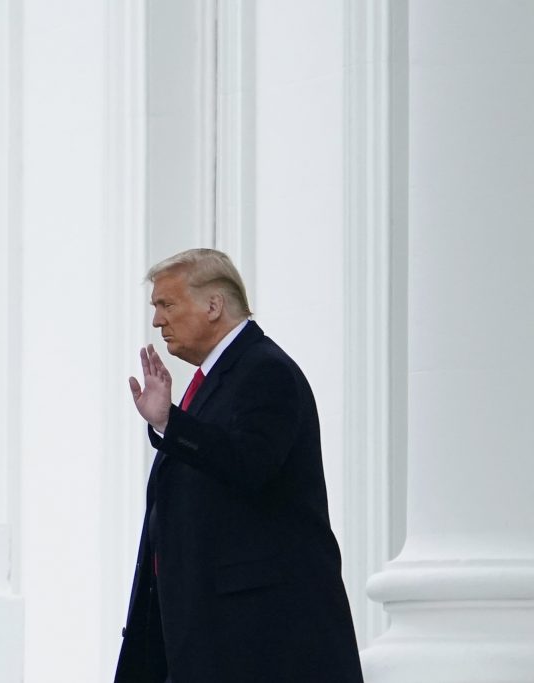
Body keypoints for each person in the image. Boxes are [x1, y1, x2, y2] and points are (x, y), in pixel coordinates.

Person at [115, 249, 363, 682]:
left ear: (213, 306)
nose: (157, 321)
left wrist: (172, 422)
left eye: (166, 304)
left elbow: (250, 464)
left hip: (259, 641)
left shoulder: (266, 371)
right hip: (204, 633)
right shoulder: (221, 377)